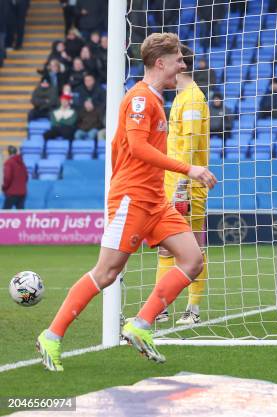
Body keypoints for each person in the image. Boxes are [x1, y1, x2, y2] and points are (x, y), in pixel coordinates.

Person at [35, 32, 217, 371]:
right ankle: (52, 335)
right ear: (160, 62)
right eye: (178, 59)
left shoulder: (158, 100)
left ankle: (141, 324)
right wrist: (188, 168)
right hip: (130, 200)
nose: (183, 64)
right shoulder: (139, 99)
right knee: (106, 273)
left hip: (155, 201)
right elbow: (137, 148)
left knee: (192, 260)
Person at [156, 45, 210, 325]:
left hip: (186, 186)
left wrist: (181, 184)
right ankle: (162, 306)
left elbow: (189, 146)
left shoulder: (192, 99)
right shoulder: (180, 98)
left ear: (182, 66)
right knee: (166, 247)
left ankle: (193, 309)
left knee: (193, 247)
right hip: (172, 183)